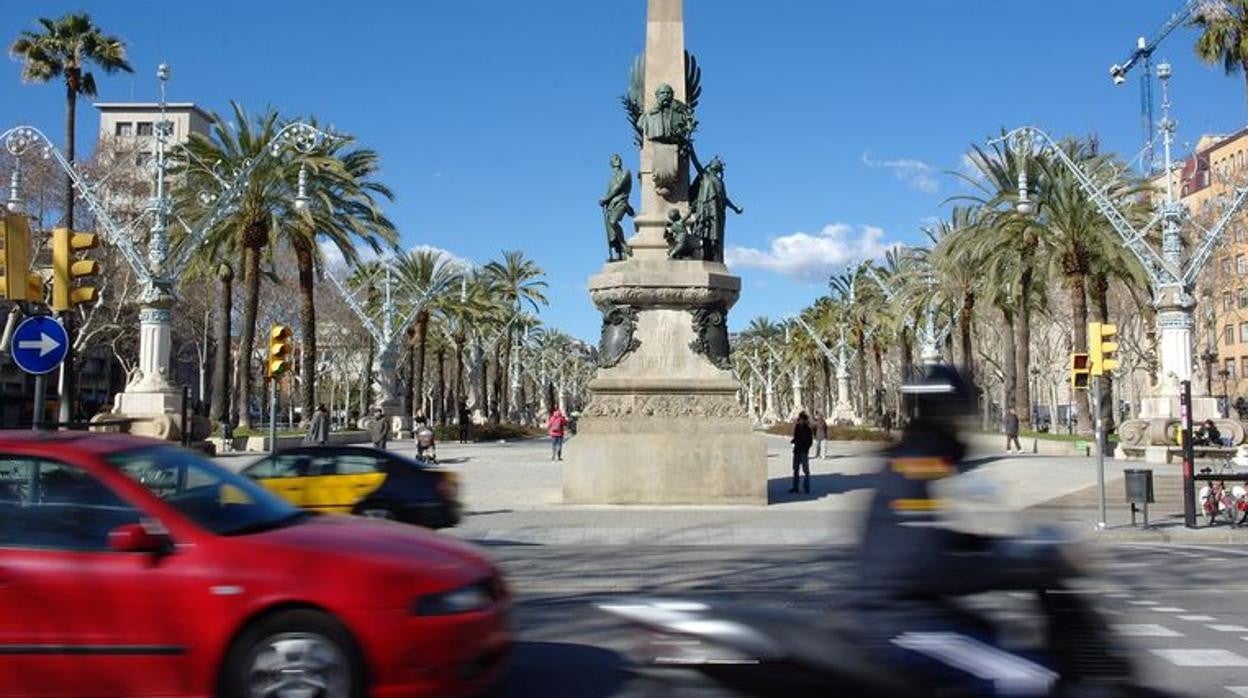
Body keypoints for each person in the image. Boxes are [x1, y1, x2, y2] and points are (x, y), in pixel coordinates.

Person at [855, 365, 1062, 694]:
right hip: (907, 625)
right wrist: (1011, 569)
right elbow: (923, 561)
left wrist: (999, 544)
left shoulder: (920, 460)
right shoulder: (916, 465)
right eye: (962, 413)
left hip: (914, 615)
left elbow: (931, 536)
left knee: (1001, 640)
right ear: (946, 412)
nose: (965, 425)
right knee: (1031, 677)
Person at [599, 154, 634, 262]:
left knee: (614, 222)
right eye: (614, 159)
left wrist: (605, 199)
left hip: (621, 202)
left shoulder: (626, 173)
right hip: (611, 206)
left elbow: (618, 188)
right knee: (612, 233)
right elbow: (610, 191)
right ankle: (618, 254)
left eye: (618, 158)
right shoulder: (611, 180)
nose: (617, 160)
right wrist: (604, 202)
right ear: (611, 164)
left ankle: (624, 245)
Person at [789, 412, 813, 494]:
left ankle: (807, 487)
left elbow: (810, 441)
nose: (800, 421)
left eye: (802, 420)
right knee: (795, 469)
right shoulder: (797, 427)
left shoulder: (808, 429)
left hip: (803, 452)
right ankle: (795, 487)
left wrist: (806, 448)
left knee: (806, 470)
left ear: (805, 420)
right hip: (797, 451)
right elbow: (796, 437)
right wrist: (793, 441)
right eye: (799, 419)